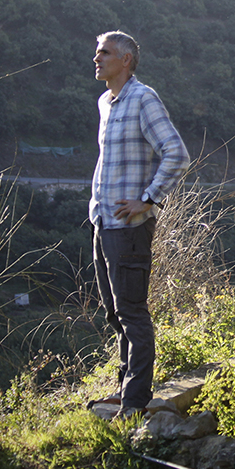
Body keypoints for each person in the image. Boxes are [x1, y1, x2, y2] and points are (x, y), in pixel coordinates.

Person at [88, 30, 189, 418]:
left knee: (132, 311)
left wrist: (147, 199)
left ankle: (135, 402)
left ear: (125, 60)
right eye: (97, 53)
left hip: (130, 227)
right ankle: (124, 389)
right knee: (115, 312)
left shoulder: (144, 99)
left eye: (105, 53)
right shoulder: (105, 102)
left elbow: (176, 154)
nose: (97, 59)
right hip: (102, 222)